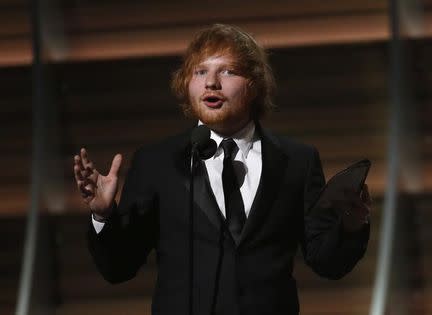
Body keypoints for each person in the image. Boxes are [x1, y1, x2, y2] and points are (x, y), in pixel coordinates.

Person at [73, 24, 371, 315]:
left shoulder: (297, 161)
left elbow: (327, 262)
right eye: (200, 71)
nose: (211, 83)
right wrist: (103, 215)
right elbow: (118, 267)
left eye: (227, 71)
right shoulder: (158, 162)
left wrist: (351, 225)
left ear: (254, 84)